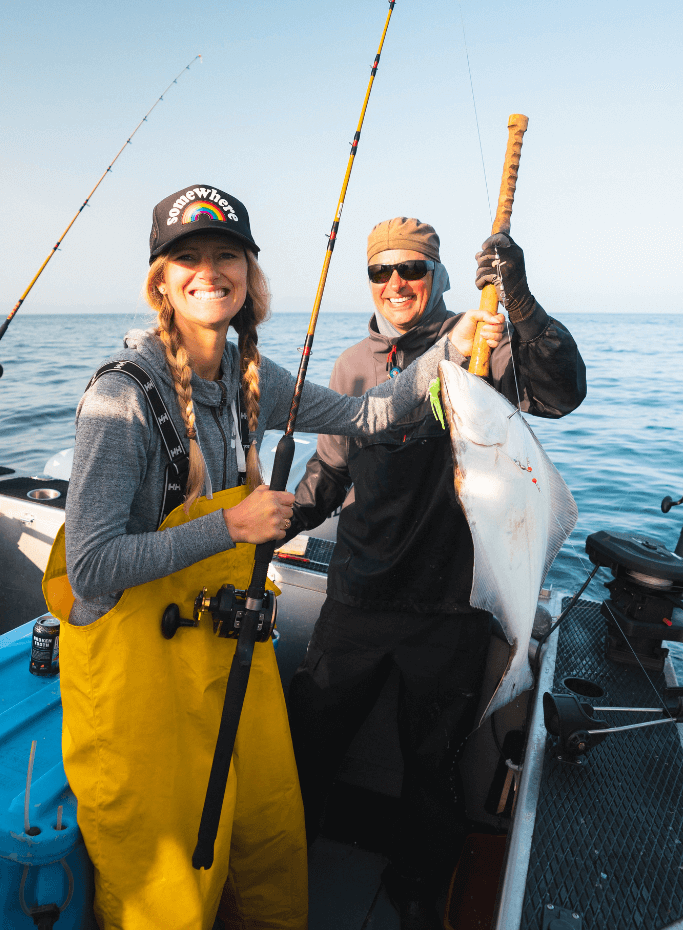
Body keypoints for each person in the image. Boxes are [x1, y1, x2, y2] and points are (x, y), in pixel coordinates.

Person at [42, 188, 504, 930]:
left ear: (249, 276)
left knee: (267, 834)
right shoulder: (120, 398)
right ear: (159, 280)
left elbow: (370, 415)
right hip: (137, 680)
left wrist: (449, 351)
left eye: (226, 255)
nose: (207, 271)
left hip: (226, 654)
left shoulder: (253, 378)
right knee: (161, 875)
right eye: (185, 258)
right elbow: (93, 566)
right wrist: (231, 525)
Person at [285, 216, 587, 930]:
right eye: (380, 272)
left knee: (433, 766)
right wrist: (268, 534)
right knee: (309, 744)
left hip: (451, 609)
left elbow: (563, 391)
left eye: (411, 271)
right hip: (357, 598)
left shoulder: (486, 344)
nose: (396, 285)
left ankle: (417, 883)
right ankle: (283, 860)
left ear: (437, 276)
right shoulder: (355, 365)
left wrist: (517, 298)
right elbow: (328, 468)